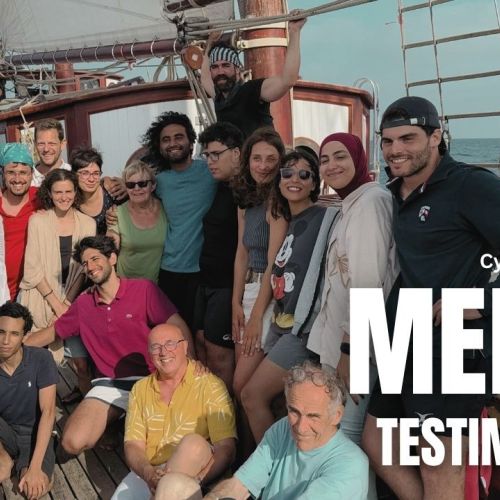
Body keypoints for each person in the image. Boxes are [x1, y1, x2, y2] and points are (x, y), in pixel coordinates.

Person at [362, 96, 500, 499]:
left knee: (438, 463)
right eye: (387, 141)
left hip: (455, 346)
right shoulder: (396, 191)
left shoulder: (470, 186)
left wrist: (482, 301)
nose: (395, 150)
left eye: (407, 138)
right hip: (407, 340)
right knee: (376, 442)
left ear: (436, 137)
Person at [24, 235, 194, 455]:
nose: (90, 267)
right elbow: (51, 333)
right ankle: (116, 418)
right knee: (72, 442)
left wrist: (191, 367)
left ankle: (124, 419)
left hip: (153, 380)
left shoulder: (144, 289)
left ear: (112, 258)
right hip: (110, 386)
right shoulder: (83, 304)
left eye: (95, 259)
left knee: (167, 446)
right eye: (85, 263)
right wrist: (13, 346)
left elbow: (177, 325)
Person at [307, 133, 398, 446]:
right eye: (324, 159)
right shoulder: (353, 202)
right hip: (343, 342)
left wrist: (350, 352)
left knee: (347, 437)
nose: (331, 165)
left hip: (360, 347)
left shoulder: (371, 203)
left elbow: (367, 283)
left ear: (359, 158)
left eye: (341, 156)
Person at [241, 149, 334, 443]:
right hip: (283, 325)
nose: (295, 179)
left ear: (315, 182)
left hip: (303, 331)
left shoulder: (323, 217)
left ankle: (272, 465)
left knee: (252, 395)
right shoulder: (290, 222)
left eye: (304, 174)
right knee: (279, 403)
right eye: (288, 173)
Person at [201, 361, 369, 500]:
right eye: (294, 412)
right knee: (185, 486)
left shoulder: (351, 465)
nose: (301, 427)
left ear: (337, 416)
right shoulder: (283, 428)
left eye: (313, 416)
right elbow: (239, 486)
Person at [112, 323, 236, 499]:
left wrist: (194, 482)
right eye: (156, 347)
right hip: (151, 471)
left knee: (192, 444)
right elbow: (133, 445)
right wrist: (148, 473)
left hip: (197, 470)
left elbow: (226, 449)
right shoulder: (140, 389)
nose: (163, 352)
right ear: (149, 353)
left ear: (185, 347)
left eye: (170, 344)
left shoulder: (210, 385)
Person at [230, 128, 287, 457]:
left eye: (271, 159)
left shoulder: (277, 202)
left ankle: (271, 461)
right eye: (257, 158)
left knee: (243, 385)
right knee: (241, 388)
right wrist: (236, 302)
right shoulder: (246, 199)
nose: (263, 165)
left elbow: (274, 263)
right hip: (248, 292)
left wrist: (254, 317)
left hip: (268, 296)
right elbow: (241, 252)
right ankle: (248, 459)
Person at [18, 169, 96, 400]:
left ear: (76, 192)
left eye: (68, 191)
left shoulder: (88, 223)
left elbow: (83, 269)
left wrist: (66, 305)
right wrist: (56, 305)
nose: (64, 197)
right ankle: (36, 407)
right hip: (39, 296)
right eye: (58, 192)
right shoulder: (38, 221)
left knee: (81, 363)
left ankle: (89, 407)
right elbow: (32, 268)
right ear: (49, 194)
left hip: (72, 300)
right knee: (30, 356)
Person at [142, 111, 217, 330]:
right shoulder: (157, 182)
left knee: (202, 335)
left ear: (191, 141)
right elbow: (135, 192)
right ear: (159, 146)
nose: (173, 143)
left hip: (205, 271)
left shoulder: (210, 172)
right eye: (166, 139)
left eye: (178, 137)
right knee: (173, 333)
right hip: (170, 270)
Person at [193, 122, 243, 391]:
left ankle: (226, 415)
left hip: (227, 286)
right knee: (202, 347)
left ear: (236, 153)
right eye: (206, 155)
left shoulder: (244, 191)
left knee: (220, 357)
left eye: (216, 154)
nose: (210, 161)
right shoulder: (221, 185)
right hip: (207, 282)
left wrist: (237, 298)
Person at [201, 13, 306, 139]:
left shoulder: (252, 90)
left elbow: (287, 80)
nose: (220, 72)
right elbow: (205, 78)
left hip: (262, 151)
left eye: (226, 65)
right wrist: (210, 43)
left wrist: (294, 31)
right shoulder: (219, 98)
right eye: (215, 67)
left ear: (237, 69)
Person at [0, 302, 57, 500]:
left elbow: (48, 412)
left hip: (34, 433)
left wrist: (34, 468)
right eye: (1, 332)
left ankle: (21, 463)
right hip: (5, 431)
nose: (5, 341)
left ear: (25, 336)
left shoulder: (41, 359)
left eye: (14, 334)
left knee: (32, 488)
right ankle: (5, 458)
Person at [107, 161, 167, 283]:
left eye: (142, 184)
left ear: (153, 186)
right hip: (126, 285)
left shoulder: (165, 208)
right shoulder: (117, 213)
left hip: (155, 287)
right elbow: (109, 251)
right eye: (130, 185)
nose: (136, 189)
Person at [0, 143, 39, 300]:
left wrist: (106, 182)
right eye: (11, 172)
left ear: (31, 174)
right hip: (3, 293)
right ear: (3, 173)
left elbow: (71, 192)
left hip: (34, 291)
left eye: (23, 172)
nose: (17, 179)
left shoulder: (41, 198)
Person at [71, 147, 116, 234]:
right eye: (85, 173)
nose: (91, 179)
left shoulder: (112, 193)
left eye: (96, 173)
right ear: (74, 174)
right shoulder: (70, 201)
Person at [31, 118, 71, 188]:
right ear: (35, 145)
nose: (46, 149)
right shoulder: (26, 180)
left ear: (62, 144)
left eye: (52, 143)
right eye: (41, 144)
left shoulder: (73, 174)